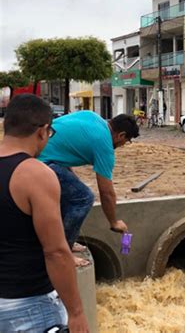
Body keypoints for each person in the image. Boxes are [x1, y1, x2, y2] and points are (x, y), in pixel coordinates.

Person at [0, 94, 89, 332]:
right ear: (43, 131)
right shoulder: (35, 175)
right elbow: (56, 252)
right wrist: (77, 313)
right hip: (27, 306)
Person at [38, 110, 139, 266]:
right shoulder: (104, 144)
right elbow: (106, 193)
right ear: (121, 135)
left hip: (34, 150)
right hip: (42, 162)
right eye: (126, 141)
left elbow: (63, 144)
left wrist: (72, 180)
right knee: (83, 198)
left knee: (74, 192)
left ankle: (65, 243)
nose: (122, 145)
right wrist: (114, 222)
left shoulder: (92, 117)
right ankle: (63, 252)